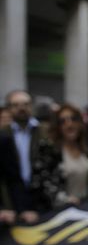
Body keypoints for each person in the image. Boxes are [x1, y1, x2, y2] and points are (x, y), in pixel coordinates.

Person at [31, 104, 88, 208]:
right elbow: (41, 182)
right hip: (60, 211)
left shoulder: (85, 147)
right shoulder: (49, 149)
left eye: (73, 119)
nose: (69, 124)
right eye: (63, 121)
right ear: (57, 126)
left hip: (86, 206)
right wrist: (63, 199)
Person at [0, 90, 43, 223]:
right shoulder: (4, 136)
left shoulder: (45, 132)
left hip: (41, 199)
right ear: (9, 109)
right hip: (11, 202)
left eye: (25, 104)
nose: (21, 108)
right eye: (16, 105)